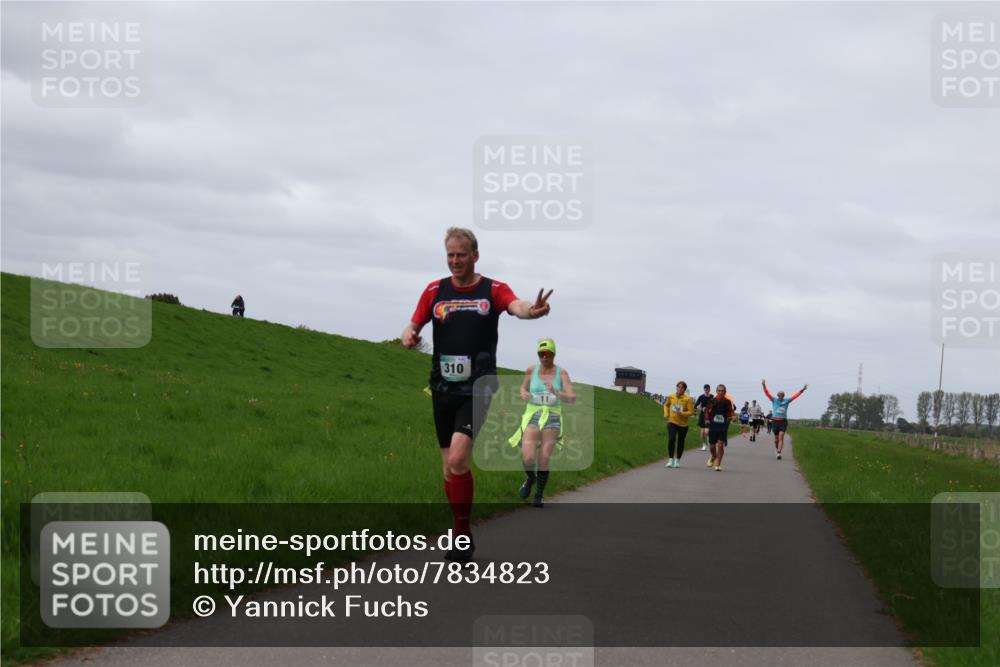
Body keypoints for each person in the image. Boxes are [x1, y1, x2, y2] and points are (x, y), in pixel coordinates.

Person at [402, 227, 552, 562]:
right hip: (442, 388)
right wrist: (408, 335)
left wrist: (532, 310)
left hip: (478, 388)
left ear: (475, 256)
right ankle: (462, 532)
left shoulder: (492, 289)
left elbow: (516, 306)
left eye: (461, 255)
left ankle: (460, 537)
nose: (455, 261)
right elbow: (412, 324)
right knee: (449, 468)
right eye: (450, 255)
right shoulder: (434, 290)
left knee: (458, 459)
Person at [509, 339, 576, 507]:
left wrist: (556, 392)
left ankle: (539, 495)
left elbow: (572, 398)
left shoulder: (562, 373)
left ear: (553, 354)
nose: (544, 357)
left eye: (547, 354)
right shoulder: (531, 370)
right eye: (541, 354)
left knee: (544, 459)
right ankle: (531, 478)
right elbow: (523, 387)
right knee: (528, 457)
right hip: (533, 414)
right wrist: (523, 393)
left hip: (552, 416)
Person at [761, 379, 808, 460]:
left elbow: (795, 396)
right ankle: (776, 449)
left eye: (781, 396)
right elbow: (767, 393)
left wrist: (802, 390)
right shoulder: (774, 400)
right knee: (776, 439)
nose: (780, 397)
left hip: (783, 421)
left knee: (781, 436)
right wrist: (764, 385)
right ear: (777, 396)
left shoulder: (787, 401)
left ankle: (779, 453)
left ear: (783, 396)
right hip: (775, 421)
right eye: (779, 396)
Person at [663, 381, 694, 468]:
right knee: (671, 439)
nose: (680, 389)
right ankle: (670, 460)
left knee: (681, 442)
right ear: (676, 387)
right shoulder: (671, 396)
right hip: (672, 422)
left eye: (682, 388)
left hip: (683, 424)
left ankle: (677, 460)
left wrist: (682, 413)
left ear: (684, 389)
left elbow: (691, 412)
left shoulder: (688, 399)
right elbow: (666, 405)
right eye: (678, 387)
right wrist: (666, 414)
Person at [705, 384, 735, 471]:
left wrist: (733, 416)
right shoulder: (712, 401)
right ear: (716, 391)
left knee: (721, 445)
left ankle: (718, 464)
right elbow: (707, 412)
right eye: (719, 390)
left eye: (722, 391)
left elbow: (731, 411)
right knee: (712, 446)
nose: (721, 392)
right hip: (713, 426)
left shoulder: (727, 402)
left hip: (723, 426)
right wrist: (706, 420)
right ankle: (714, 457)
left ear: (725, 392)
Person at [694, 384, 712, 451]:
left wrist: (711, 409)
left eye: (707, 389)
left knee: (707, 431)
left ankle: (708, 440)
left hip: (709, 416)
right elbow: (695, 405)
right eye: (705, 389)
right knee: (702, 431)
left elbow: (715, 405)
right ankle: (703, 445)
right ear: (704, 390)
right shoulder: (701, 397)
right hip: (702, 415)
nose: (706, 390)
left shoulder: (712, 397)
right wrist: (701, 408)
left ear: (709, 390)